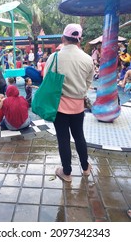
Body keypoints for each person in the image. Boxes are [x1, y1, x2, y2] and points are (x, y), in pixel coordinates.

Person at [44, 23, 94, 182]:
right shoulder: (87, 59)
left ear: (62, 38)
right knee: (79, 136)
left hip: (59, 108)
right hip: (78, 107)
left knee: (63, 139)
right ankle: (85, 168)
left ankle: (67, 172)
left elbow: (46, 81)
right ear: (79, 40)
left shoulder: (54, 57)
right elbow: (88, 83)